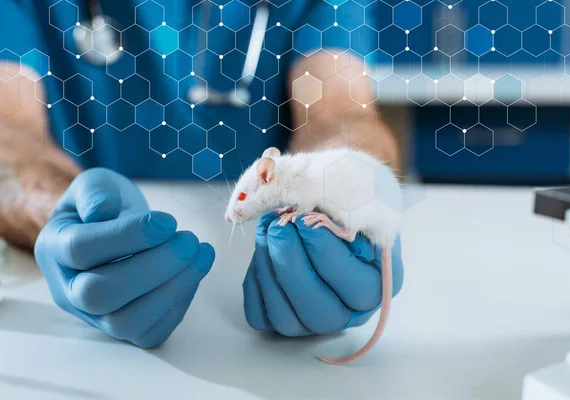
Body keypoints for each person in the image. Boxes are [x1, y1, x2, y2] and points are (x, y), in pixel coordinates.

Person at [0, 0, 404, 349]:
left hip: (258, 266)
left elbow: (340, 112)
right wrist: (65, 216)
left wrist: (357, 191)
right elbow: (9, 130)